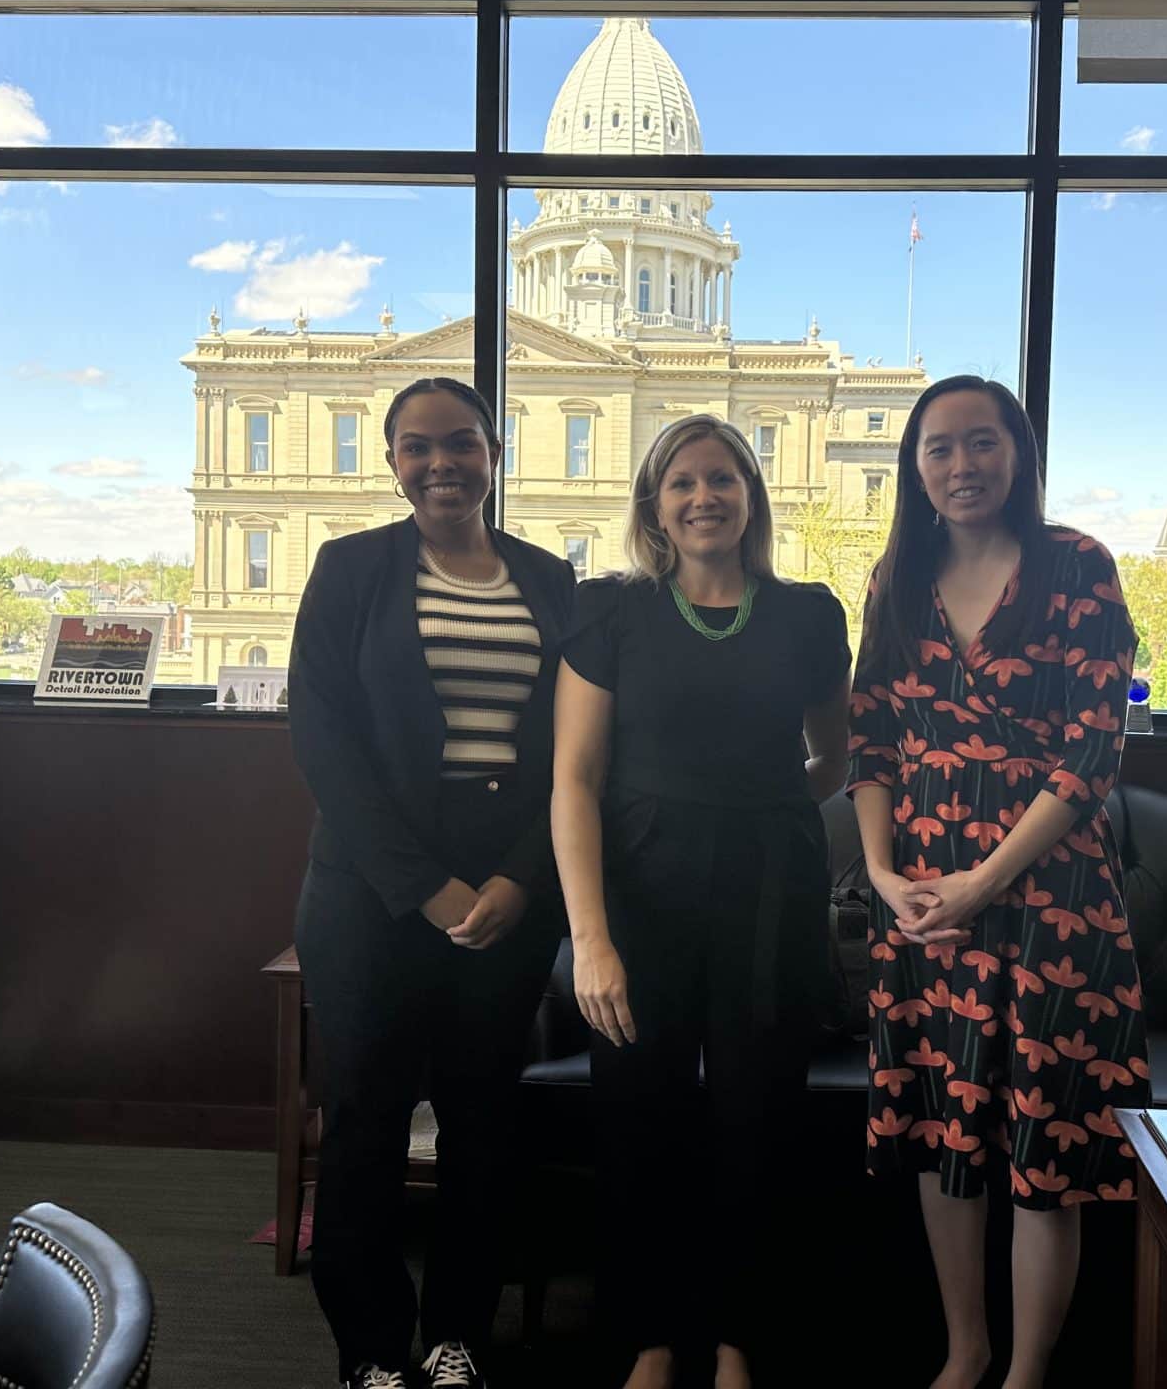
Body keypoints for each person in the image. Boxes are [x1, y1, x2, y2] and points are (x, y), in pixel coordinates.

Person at [848, 375, 1145, 1389]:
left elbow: (1092, 754)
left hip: (1051, 903)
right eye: (938, 447)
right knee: (945, 1137)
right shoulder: (895, 577)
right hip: (925, 909)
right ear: (914, 467)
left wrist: (984, 880)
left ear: (1016, 452)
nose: (961, 465)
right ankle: (965, 1351)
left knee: (1040, 1153)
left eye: (981, 442)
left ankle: (1025, 1373)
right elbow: (870, 740)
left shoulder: (1076, 565)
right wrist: (882, 874)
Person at [550, 414, 852, 1389]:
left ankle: (734, 1339)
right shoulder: (609, 610)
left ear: (750, 497)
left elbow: (834, 756)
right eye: (681, 482)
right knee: (638, 1115)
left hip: (771, 893)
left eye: (722, 478)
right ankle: (649, 1336)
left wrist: (760, 807)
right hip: (640, 894)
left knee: (756, 1117)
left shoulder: (808, 614)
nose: (703, 497)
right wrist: (589, 940)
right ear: (654, 505)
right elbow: (573, 779)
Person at [289, 377, 576, 1389]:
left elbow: (572, 750)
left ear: (494, 452)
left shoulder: (550, 579)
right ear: (392, 462)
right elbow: (323, 739)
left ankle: (457, 1338)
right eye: (417, 446)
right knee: (365, 1122)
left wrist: (518, 878)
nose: (440, 463)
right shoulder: (351, 568)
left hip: (508, 889)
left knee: (482, 1123)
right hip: (370, 891)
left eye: (461, 442)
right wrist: (426, 888)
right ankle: (370, 1350)